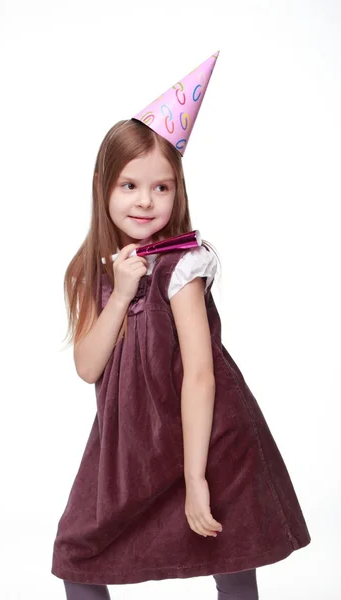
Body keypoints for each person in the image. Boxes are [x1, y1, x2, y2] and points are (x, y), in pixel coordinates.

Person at [51, 52, 311, 599]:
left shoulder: (181, 266)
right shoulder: (94, 270)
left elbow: (198, 374)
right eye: (129, 186)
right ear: (102, 185)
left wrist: (197, 478)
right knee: (79, 554)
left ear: (178, 190)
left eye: (162, 187)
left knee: (230, 551)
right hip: (128, 445)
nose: (145, 201)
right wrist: (120, 294)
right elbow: (87, 366)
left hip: (205, 435)